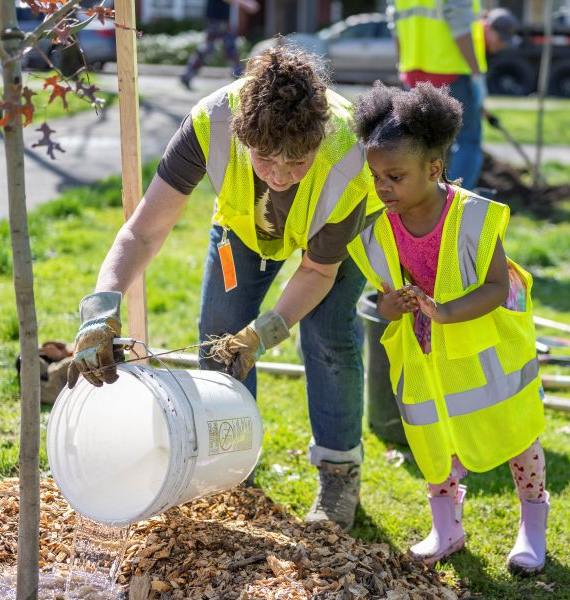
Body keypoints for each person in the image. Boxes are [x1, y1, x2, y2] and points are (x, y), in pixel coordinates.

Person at [67, 46, 383, 533]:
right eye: (265, 159)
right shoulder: (209, 125)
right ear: (242, 135)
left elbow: (317, 273)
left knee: (328, 339)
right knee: (218, 335)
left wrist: (264, 333)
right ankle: (230, 471)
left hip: (333, 238)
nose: (279, 176)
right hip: (244, 227)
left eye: (297, 162)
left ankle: (339, 471)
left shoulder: (348, 158)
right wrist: (100, 309)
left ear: (318, 142)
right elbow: (142, 232)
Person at [347, 82, 548, 574]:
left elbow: (497, 287)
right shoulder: (379, 229)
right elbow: (385, 303)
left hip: (486, 352)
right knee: (432, 437)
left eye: (395, 175)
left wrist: (446, 312)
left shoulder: (473, 217)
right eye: (376, 177)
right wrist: (390, 306)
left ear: (433, 168)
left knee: (515, 433)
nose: (383, 187)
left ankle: (532, 524)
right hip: (424, 356)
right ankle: (446, 526)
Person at [387, 0, 519, 190]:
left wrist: (403, 66)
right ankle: (456, 204)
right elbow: (459, 25)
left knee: (422, 143)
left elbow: (396, 24)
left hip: (413, 72)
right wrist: (476, 75)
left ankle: (418, 200)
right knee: (468, 142)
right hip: (450, 71)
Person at [180, 0, 260, 89]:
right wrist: (244, 3)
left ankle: (241, 79)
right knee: (211, 49)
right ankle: (241, 79)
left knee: (229, 49)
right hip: (215, 19)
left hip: (221, 19)